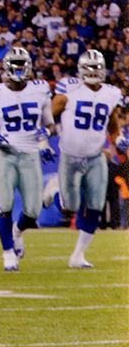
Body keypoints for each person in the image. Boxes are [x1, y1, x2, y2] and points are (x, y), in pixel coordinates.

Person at [0, 45, 54, 272]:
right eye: (15, 65)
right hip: (6, 155)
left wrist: (46, 134)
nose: (18, 69)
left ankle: (17, 231)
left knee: (33, 211)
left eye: (22, 65)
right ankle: (7, 252)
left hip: (30, 154)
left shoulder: (40, 89)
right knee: (5, 205)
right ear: (6, 67)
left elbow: (50, 124)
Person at [51, 49, 122, 269]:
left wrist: (119, 140)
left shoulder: (111, 93)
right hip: (70, 156)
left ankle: (78, 255)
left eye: (96, 68)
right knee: (70, 206)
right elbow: (49, 115)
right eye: (89, 68)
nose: (92, 72)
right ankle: (53, 192)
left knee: (96, 205)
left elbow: (113, 125)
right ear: (80, 69)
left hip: (95, 156)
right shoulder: (68, 87)